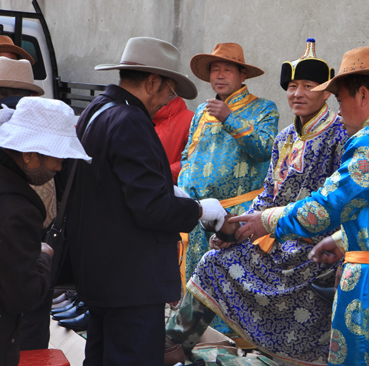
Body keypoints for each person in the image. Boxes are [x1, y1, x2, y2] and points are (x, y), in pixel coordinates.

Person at [234, 46, 369, 366]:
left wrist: (266, 220)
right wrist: (339, 240)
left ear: (362, 95)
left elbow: (326, 207)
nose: (339, 110)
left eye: (339, 99)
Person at [165, 39, 349, 365]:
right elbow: (268, 193)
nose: (298, 94)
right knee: (213, 261)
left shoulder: (339, 135)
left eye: (309, 86)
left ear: (327, 93)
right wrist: (237, 227)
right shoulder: (285, 138)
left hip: (317, 246)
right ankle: (172, 346)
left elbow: (341, 202)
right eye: (292, 86)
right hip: (272, 238)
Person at [65, 37, 227, 366]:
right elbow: (151, 207)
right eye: (168, 92)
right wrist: (197, 209)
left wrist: (170, 193)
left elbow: (113, 188)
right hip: (131, 282)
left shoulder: (96, 111)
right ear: (152, 82)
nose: (167, 102)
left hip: (100, 273)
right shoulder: (130, 121)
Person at [177, 42, 278, 332]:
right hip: (196, 214)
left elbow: (265, 149)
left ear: (242, 75)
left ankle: (229, 347)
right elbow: (188, 154)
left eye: (227, 70)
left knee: (228, 287)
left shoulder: (264, 109)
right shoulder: (201, 111)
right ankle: (191, 343)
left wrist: (229, 118)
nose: (219, 76)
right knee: (194, 285)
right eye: (215, 70)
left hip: (234, 216)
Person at [0, 97, 91, 366]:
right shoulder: (18, 209)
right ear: (29, 154)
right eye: (57, 157)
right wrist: (43, 257)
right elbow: (23, 294)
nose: (59, 167)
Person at [152, 97, 194, 184]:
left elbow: (195, 159)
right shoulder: (137, 116)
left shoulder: (189, 119)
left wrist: (166, 173)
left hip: (170, 189)